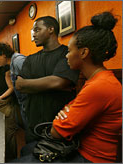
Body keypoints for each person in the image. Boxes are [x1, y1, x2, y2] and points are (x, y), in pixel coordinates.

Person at [50, 11, 122, 163]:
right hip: (82, 150)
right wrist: (67, 111)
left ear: (83, 53)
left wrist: (65, 112)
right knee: (27, 150)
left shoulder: (100, 86)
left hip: (92, 158)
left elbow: (56, 132)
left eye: (69, 51)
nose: (66, 56)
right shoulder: (99, 79)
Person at [15, 16, 80, 144]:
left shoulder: (67, 54)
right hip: (33, 124)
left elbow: (59, 82)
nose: (34, 34)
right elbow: (19, 85)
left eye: (37, 30)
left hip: (59, 125)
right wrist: (52, 83)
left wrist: (30, 85)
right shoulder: (30, 59)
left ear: (51, 29)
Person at [0, 42, 28, 129]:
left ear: (3, 54)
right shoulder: (11, 64)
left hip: (29, 103)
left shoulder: (18, 61)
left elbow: (31, 80)